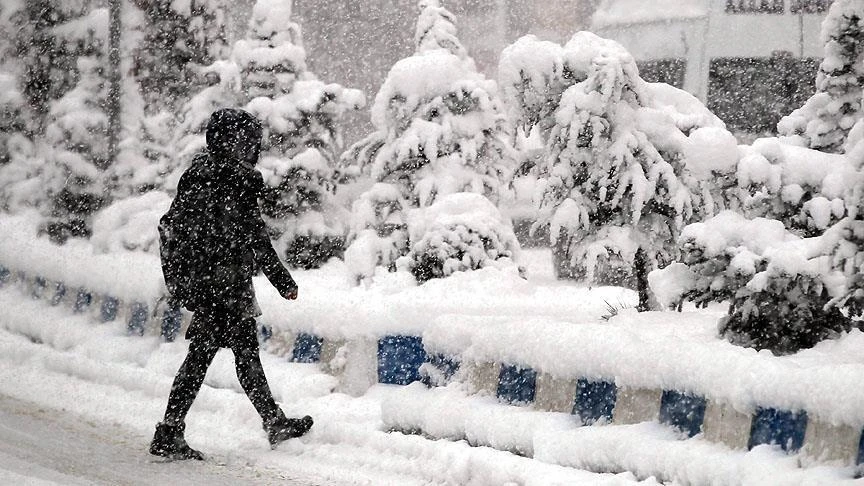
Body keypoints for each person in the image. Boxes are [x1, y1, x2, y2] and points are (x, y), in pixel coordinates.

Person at [150, 108, 313, 461]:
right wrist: (282, 280)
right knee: (214, 357)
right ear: (231, 142)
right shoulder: (231, 181)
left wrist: (191, 279)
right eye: (247, 141)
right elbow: (255, 236)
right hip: (222, 286)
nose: (252, 148)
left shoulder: (201, 175)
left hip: (213, 284)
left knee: (233, 354)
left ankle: (270, 421)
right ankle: (171, 430)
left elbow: (187, 228)